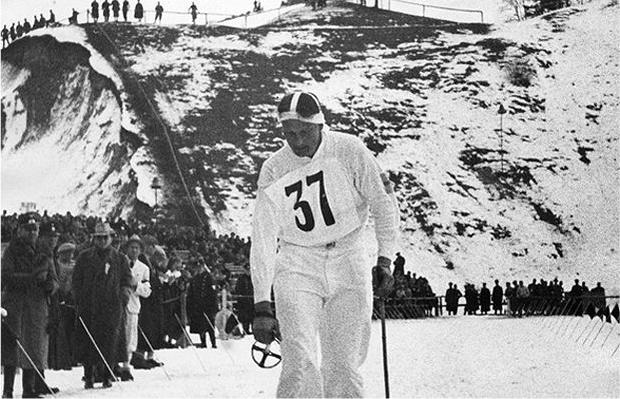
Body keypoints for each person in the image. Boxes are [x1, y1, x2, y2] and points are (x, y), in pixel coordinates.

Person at [250, 91, 398, 397]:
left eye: (304, 132)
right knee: (299, 358)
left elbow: (384, 205)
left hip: (348, 254)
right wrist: (262, 304)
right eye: (290, 134)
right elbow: (263, 236)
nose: (298, 142)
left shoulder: (349, 150)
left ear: (320, 124)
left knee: (343, 363)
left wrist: (385, 260)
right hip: (297, 261)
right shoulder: (274, 168)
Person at [1, 214, 59, 399]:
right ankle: (7, 390)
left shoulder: (43, 251)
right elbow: (6, 276)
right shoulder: (11, 251)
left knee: (34, 346)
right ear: (19, 230)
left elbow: (54, 278)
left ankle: (30, 389)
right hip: (16, 304)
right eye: (28, 229)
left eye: (35, 229)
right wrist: (31, 278)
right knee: (12, 346)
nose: (32, 232)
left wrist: (50, 285)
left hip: (36, 305)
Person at [72, 222, 132, 389]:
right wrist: (78, 298)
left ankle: (107, 374)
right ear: (94, 238)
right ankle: (88, 375)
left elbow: (127, 279)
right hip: (89, 306)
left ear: (111, 238)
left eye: (105, 237)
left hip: (111, 306)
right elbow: (76, 281)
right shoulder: (84, 257)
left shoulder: (120, 258)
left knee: (110, 341)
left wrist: (124, 293)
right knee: (88, 341)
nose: (102, 241)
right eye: (98, 238)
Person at [118, 235, 151, 381]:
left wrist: (135, 285)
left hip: (133, 306)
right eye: (132, 247)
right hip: (117, 304)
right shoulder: (119, 262)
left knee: (130, 336)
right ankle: (113, 365)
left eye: (137, 248)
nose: (134, 250)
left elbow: (147, 291)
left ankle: (126, 365)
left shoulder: (143, 268)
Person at [48, 242, 78, 371]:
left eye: (71, 252)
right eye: (67, 253)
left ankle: (72, 357)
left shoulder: (75, 265)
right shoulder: (57, 266)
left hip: (72, 300)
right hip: (60, 300)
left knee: (72, 332)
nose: (70, 255)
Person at [186, 261, 218, 348]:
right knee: (200, 325)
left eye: (200, 267)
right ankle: (203, 342)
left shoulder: (209, 277)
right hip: (198, 306)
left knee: (210, 325)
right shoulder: (195, 278)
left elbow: (213, 292)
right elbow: (191, 293)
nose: (199, 269)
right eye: (197, 267)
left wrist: (214, 306)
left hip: (208, 306)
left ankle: (213, 343)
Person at [234, 263, 254, 334]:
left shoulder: (253, 277)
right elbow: (237, 288)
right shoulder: (241, 278)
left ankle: (253, 329)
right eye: (247, 269)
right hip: (244, 301)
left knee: (253, 316)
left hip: (252, 300)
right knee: (245, 317)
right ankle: (245, 330)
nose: (248, 271)